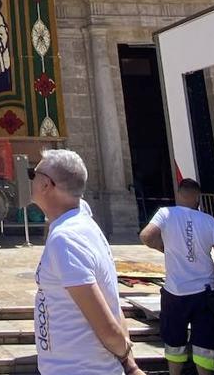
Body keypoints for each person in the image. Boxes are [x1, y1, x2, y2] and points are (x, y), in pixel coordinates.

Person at [31, 149, 141, 375]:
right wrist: (129, 366)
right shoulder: (83, 223)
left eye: (34, 174)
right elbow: (110, 301)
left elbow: (108, 328)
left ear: (46, 185)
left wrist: (125, 356)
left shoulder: (67, 238)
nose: (30, 180)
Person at [140, 178, 214, 375]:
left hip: (175, 291)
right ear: (198, 198)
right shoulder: (208, 220)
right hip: (205, 292)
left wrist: (163, 248)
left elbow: (145, 236)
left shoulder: (166, 213)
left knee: (174, 341)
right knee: (205, 344)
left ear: (179, 194)